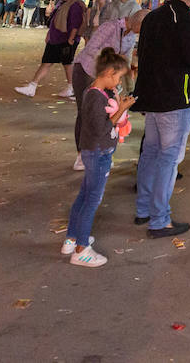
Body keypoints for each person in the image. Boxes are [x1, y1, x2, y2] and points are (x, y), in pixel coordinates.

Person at [132, 0, 190, 238]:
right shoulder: (183, 17)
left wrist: (140, 93)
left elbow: (142, 54)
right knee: (168, 157)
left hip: (153, 95)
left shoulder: (153, 16)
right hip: (174, 97)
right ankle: (159, 218)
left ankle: (143, 209)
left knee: (150, 153)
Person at [61, 48, 135, 268]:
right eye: (118, 77)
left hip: (95, 151)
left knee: (85, 195)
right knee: (92, 199)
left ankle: (72, 238)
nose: (119, 82)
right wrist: (120, 110)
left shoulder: (97, 92)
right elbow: (101, 128)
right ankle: (81, 249)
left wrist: (117, 102)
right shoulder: (94, 96)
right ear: (109, 72)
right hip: (97, 152)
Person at [71, 10, 146, 170]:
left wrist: (126, 72)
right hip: (87, 70)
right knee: (85, 114)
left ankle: (101, 152)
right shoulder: (110, 27)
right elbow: (91, 48)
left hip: (109, 79)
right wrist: (111, 63)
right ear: (136, 22)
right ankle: (81, 155)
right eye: (143, 28)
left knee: (106, 114)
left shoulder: (131, 35)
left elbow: (125, 60)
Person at [15, 0, 84, 97]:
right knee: (47, 62)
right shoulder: (61, 3)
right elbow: (54, 21)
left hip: (66, 39)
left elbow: (75, 24)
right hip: (55, 38)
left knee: (67, 63)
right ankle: (32, 86)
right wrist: (49, 35)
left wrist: (71, 39)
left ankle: (71, 88)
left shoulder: (74, 5)